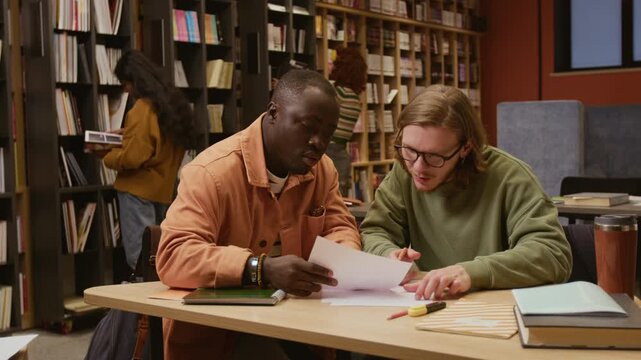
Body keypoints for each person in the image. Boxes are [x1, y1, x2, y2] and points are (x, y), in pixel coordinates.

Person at [156, 69, 361, 359]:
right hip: (221, 335)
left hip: (301, 321)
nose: (319, 141)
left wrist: (345, 258)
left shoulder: (322, 169)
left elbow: (340, 226)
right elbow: (174, 256)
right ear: (274, 112)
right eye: (308, 127)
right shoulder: (211, 172)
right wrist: (260, 268)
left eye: (328, 132)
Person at [360, 85, 572, 300]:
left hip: (495, 309)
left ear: (466, 148)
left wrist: (472, 272)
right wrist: (388, 255)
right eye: (409, 150)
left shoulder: (510, 177)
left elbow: (552, 254)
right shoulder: (404, 171)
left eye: (434, 157)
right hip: (428, 304)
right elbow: (374, 232)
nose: (418, 167)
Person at [91, 50, 201, 270]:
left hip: (137, 191)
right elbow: (155, 146)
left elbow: (134, 157)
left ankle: (137, 303)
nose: (125, 89)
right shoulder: (171, 106)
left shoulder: (142, 109)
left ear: (135, 80)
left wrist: (105, 156)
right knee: (159, 255)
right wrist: (128, 135)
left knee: (139, 258)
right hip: (162, 190)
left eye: (126, 82)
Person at [325, 46, 368, 196]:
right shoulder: (355, 98)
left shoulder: (338, 93)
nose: (331, 66)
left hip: (326, 153)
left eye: (335, 64)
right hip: (341, 156)